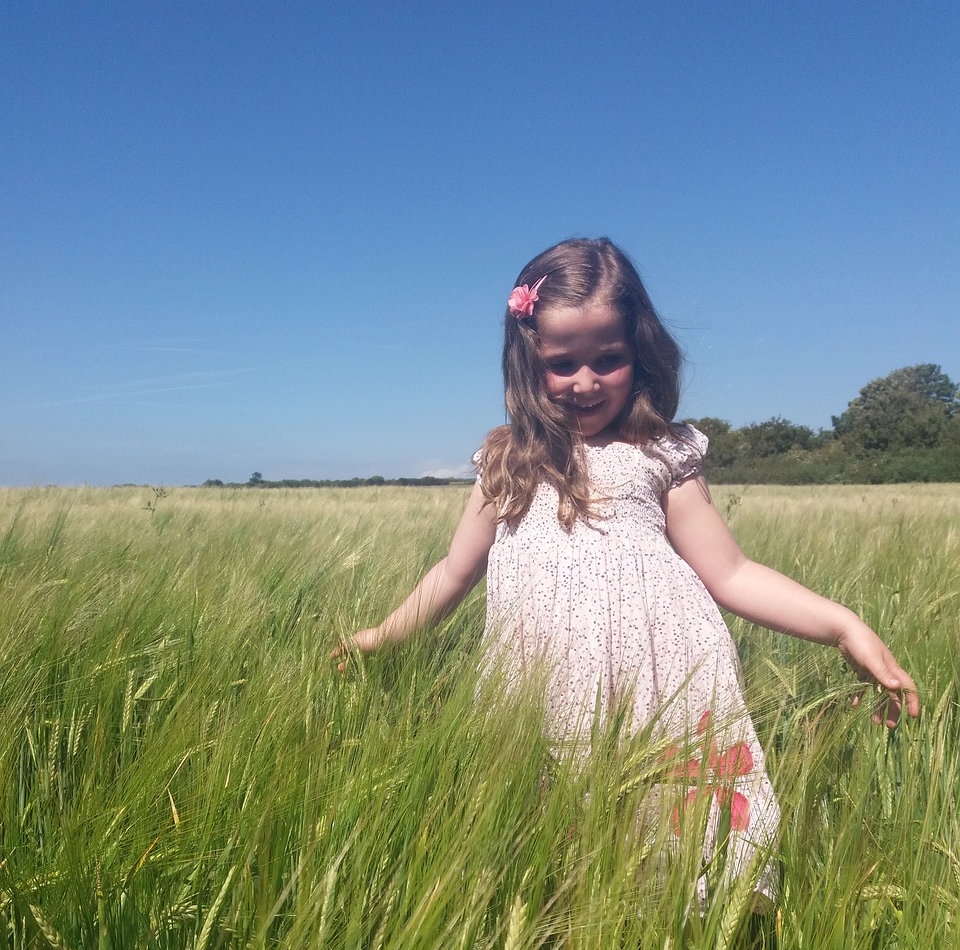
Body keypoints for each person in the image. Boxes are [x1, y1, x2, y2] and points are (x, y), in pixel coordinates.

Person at [334, 237, 918, 900]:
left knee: (685, 878)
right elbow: (452, 573)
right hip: (540, 693)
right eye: (562, 363)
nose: (585, 382)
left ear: (638, 353)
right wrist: (382, 636)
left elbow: (731, 572)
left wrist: (842, 625)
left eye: (608, 359)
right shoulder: (506, 460)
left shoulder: (660, 452)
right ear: (529, 363)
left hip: (661, 689)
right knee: (558, 875)